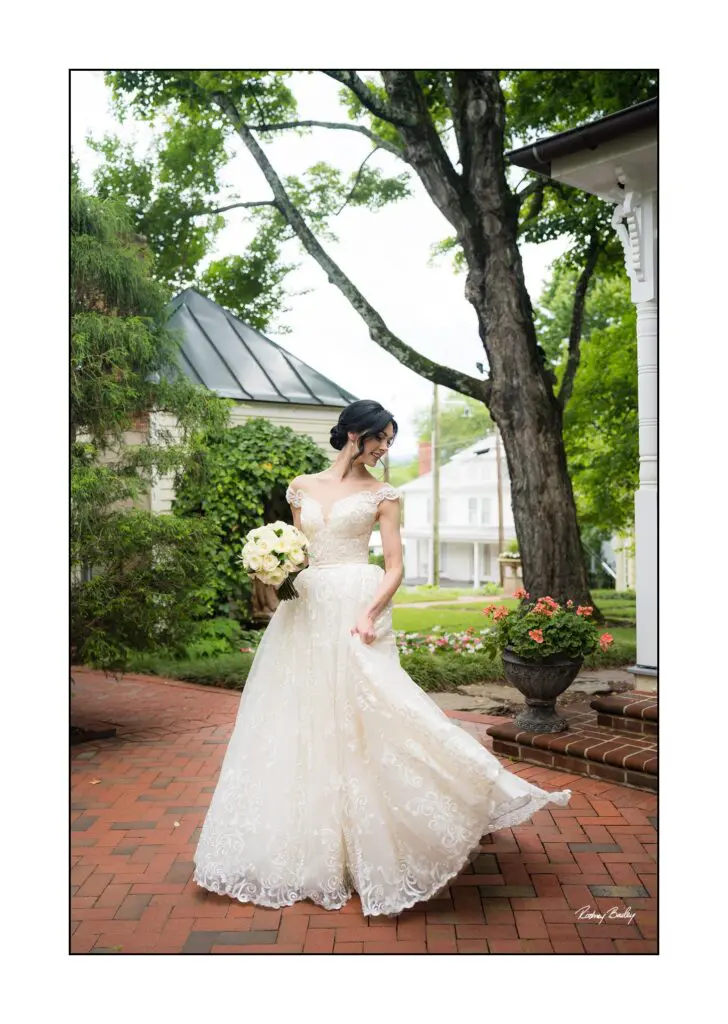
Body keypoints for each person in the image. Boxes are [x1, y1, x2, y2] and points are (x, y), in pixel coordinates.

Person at [193, 399, 571, 917]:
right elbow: (300, 549)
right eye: (381, 438)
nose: (385, 448)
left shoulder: (383, 494)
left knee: (374, 708)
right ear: (354, 434)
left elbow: (394, 565)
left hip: (356, 603)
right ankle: (317, 847)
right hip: (306, 609)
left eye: (391, 440)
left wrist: (371, 611)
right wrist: (275, 562)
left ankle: (458, 793)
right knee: (299, 716)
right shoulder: (301, 487)